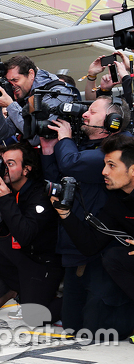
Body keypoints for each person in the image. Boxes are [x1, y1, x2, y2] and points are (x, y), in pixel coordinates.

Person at [40, 96, 131, 334]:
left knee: (96, 327)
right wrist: (50, 151)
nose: (84, 114)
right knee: (72, 326)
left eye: (92, 110)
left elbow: (71, 164)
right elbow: (58, 176)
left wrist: (65, 139)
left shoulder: (119, 151)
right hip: (76, 246)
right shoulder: (82, 149)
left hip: (102, 254)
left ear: (113, 121)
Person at [0, 143, 61, 322]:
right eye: (2, 162)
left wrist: (5, 198)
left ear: (26, 169)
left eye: (10, 164)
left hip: (38, 262)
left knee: (35, 318)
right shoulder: (0, 184)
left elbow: (25, 235)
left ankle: (71, 301)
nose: (4, 168)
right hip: (8, 260)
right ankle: (16, 289)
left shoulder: (39, 194)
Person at [55, 134, 134, 340]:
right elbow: (90, 245)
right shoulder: (116, 200)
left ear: (132, 170)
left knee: (117, 257)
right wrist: (65, 213)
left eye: (111, 165)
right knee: (75, 326)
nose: (103, 172)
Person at [0, 55, 74, 143]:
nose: (12, 86)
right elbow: (2, 134)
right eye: (9, 82)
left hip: (61, 154)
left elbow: (36, 138)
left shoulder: (55, 92)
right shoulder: (29, 96)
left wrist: (10, 105)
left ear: (31, 74)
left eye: (15, 80)